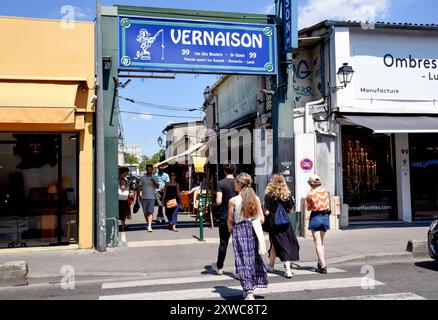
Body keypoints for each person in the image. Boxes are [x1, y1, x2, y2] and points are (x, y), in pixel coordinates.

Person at [228, 173, 268, 300]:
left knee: (241, 261)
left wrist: (232, 231)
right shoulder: (255, 198)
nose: (234, 184)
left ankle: (248, 291)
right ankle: (249, 288)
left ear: (240, 184)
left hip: (239, 231)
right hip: (252, 230)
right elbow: (262, 219)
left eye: (236, 182)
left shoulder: (233, 200)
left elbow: (229, 221)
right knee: (251, 260)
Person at [264, 174, 300, 278]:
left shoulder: (268, 196)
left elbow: (266, 212)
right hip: (285, 223)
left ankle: (287, 270)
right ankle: (271, 265)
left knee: (282, 245)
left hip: (273, 224)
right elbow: (290, 210)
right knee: (275, 244)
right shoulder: (287, 195)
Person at [211, 164, 238, 275]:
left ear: (224, 171)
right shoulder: (239, 183)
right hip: (238, 216)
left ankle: (219, 267)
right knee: (238, 244)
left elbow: (219, 201)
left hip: (225, 216)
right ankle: (238, 269)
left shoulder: (221, 183)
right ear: (235, 170)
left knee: (223, 242)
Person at [306, 174, 331, 274]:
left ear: (311, 184)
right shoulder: (325, 192)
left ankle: (323, 266)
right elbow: (328, 206)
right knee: (321, 242)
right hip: (325, 217)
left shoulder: (310, 194)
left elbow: (308, 208)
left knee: (317, 243)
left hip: (316, 217)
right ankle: (320, 263)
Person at [138, 165, 159, 232]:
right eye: (148, 169)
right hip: (144, 197)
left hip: (152, 197)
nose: (149, 171)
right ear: (146, 170)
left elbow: (157, 186)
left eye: (150, 169)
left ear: (152, 170)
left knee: (150, 212)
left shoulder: (154, 177)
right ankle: (148, 223)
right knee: (145, 212)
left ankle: (149, 225)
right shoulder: (142, 178)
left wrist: (154, 181)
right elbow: (139, 187)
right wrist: (138, 195)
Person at [118, 167, 132, 232]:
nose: (128, 173)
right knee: (123, 213)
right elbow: (123, 188)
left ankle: (123, 225)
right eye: (127, 172)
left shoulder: (120, 178)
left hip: (121, 197)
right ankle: (123, 226)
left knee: (123, 213)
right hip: (122, 197)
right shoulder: (122, 179)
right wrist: (128, 184)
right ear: (124, 172)